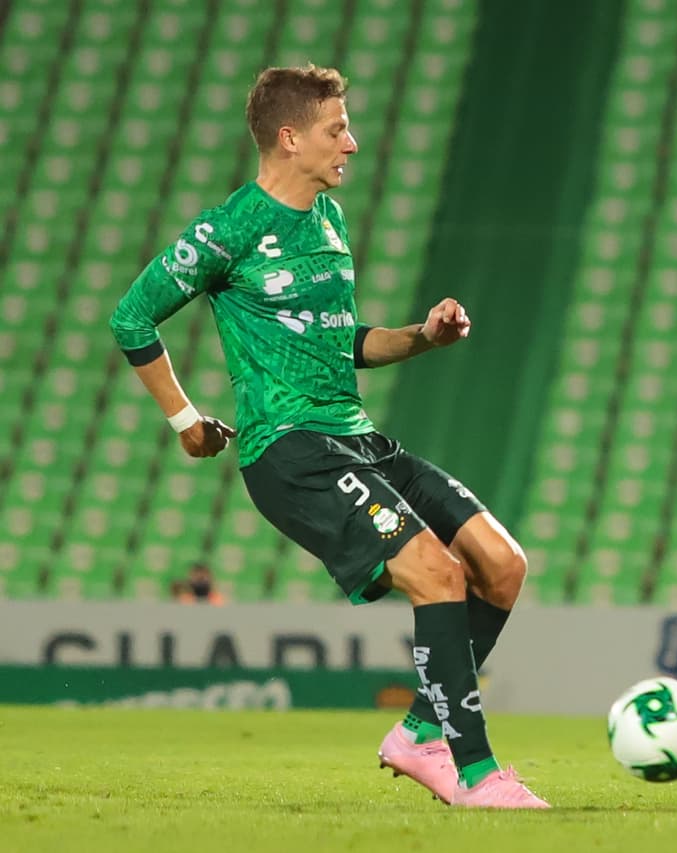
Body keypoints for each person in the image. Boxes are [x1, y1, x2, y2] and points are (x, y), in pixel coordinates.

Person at [108, 65, 547, 809]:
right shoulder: (228, 231)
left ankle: (415, 730)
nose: (353, 141)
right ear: (290, 138)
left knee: (501, 564)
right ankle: (475, 773)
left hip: (357, 437)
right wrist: (186, 422)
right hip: (289, 449)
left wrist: (423, 336)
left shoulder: (329, 221)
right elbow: (131, 317)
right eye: (336, 129)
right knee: (437, 574)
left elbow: (342, 341)